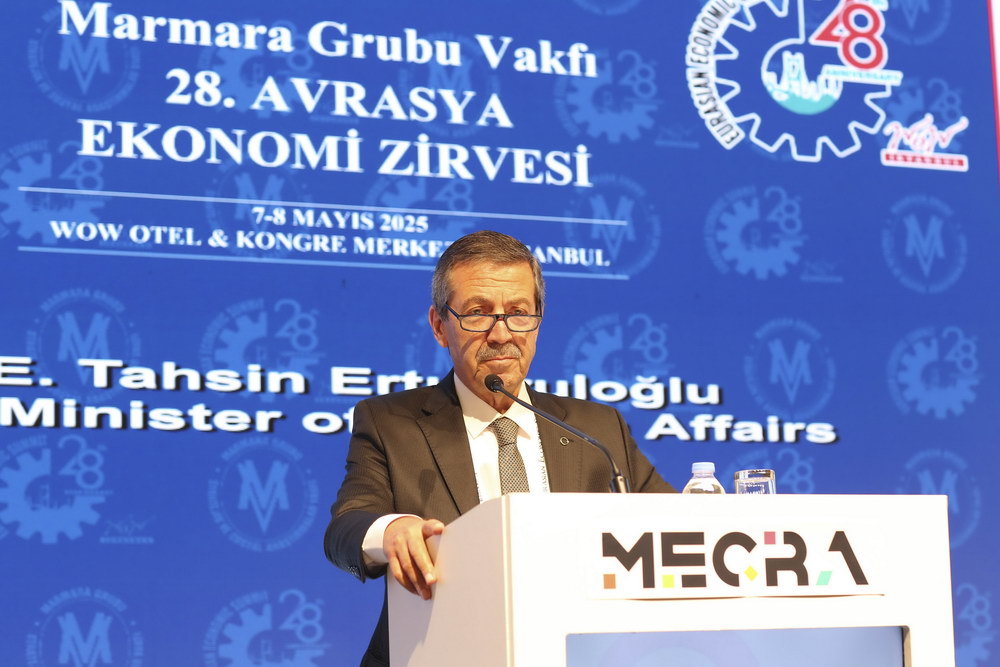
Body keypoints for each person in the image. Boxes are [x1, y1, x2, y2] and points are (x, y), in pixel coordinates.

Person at [324, 230, 675, 666]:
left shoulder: (596, 428)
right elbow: (344, 530)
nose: (501, 333)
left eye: (518, 313)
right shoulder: (392, 423)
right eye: (478, 313)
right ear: (439, 326)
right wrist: (392, 531)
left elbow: (674, 524)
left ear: (538, 321)